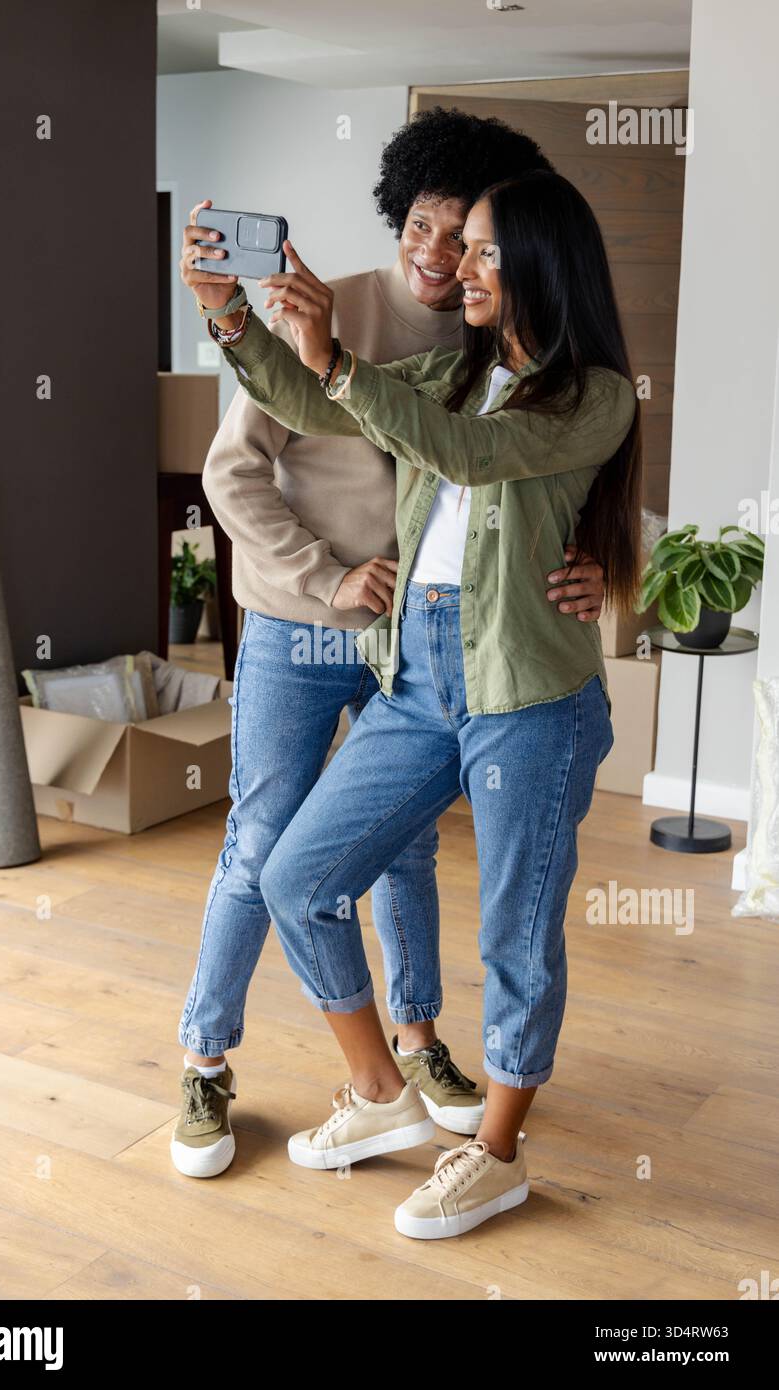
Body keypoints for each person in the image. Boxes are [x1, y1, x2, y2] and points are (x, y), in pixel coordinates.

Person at [195, 166, 641, 1239]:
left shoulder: (595, 395)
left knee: (515, 937)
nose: (460, 267)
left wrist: (346, 360)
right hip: (421, 675)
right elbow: (313, 403)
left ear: (541, 261)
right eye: (460, 245)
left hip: (526, 692)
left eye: (486, 250)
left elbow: (474, 456)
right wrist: (234, 316)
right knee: (299, 874)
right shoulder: (450, 369)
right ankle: (384, 1094)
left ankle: (495, 1154)